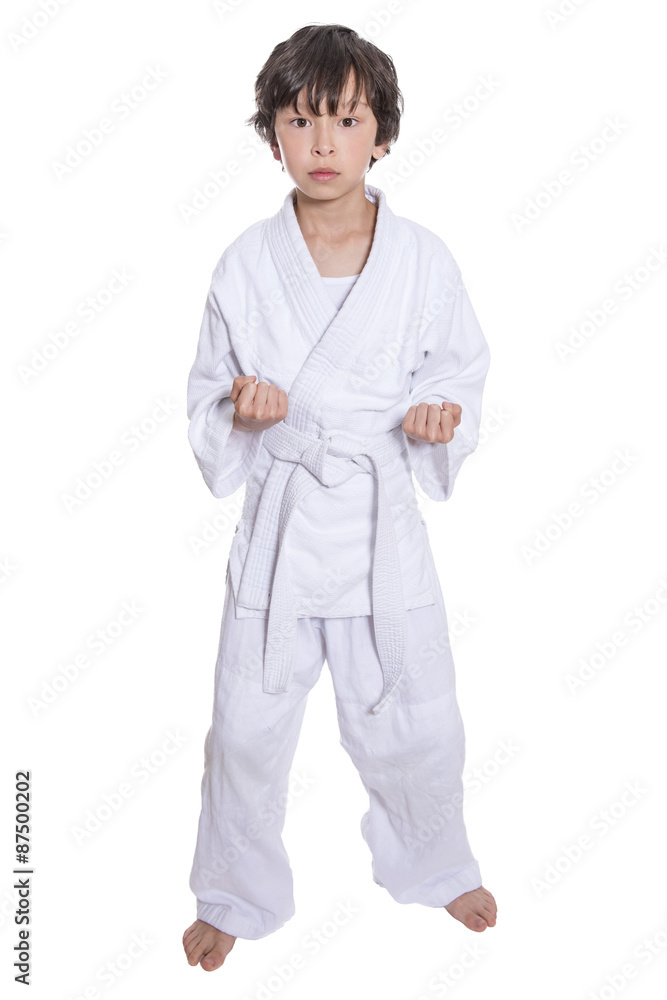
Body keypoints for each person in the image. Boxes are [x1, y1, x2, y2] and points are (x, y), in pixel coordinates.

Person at [182, 22, 497, 973]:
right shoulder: (244, 263)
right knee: (245, 732)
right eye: (300, 120)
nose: (323, 143)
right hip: (280, 539)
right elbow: (209, 393)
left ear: (382, 135)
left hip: (377, 530)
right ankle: (232, 893)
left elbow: (456, 374)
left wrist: (437, 420)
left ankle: (437, 864)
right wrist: (242, 410)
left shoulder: (423, 260)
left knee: (419, 721)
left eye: (346, 120)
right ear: (271, 133)